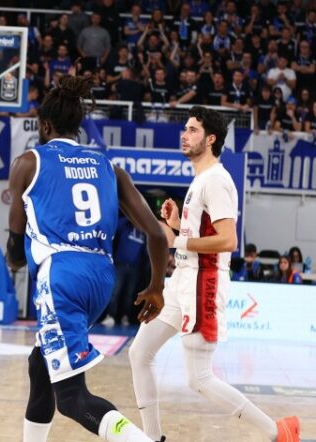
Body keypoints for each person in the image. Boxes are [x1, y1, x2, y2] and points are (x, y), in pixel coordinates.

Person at [7, 75, 167, 442]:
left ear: (45, 126)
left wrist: (14, 261)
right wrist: (156, 287)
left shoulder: (29, 162)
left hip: (61, 276)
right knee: (40, 364)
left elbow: (15, 245)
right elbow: (157, 235)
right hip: (100, 277)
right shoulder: (109, 167)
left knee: (72, 398)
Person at [128, 106, 300, 442]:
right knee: (140, 353)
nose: (184, 135)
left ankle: (277, 432)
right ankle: (153, 437)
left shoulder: (218, 181)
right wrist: (177, 223)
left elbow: (228, 240)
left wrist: (178, 239)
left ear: (210, 139)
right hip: (182, 281)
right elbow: (197, 235)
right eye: (185, 129)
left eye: (193, 130)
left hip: (203, 282)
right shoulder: (200, 180)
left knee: (199, 379)